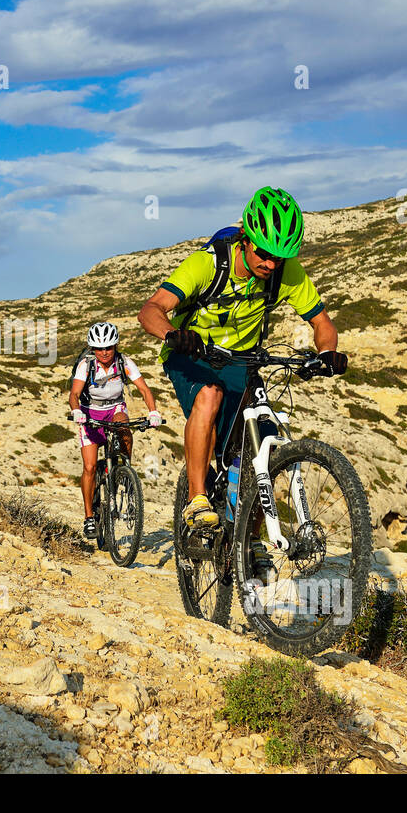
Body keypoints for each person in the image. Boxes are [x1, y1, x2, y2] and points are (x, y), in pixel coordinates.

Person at [136, 187, 346, 573]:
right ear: (245, 239)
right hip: (192, 355)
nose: (271, 263)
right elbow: (150, 309)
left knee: (260, 441)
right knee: (210, 396)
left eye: (280, 257)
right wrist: (172, 334)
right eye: (263, 253)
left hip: (243, 361)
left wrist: (326, 354)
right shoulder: (206, 265)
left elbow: (322, 322)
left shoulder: (285, 272)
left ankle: (247, 539)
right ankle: (197, 500)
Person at [69, 321, 161, 539]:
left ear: (115, 346)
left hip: (114, 409)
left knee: (124, 427)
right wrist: (76, 412)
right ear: (92, 348)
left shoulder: (124, 362)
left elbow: (144, 389)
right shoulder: (86, 365)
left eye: (109, 347)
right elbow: (74, 394)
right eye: (99, 348)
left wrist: (153, 411)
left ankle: (125, 474)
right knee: (90, 467)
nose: (104, 352)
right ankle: (89, 517)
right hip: (90, 413)